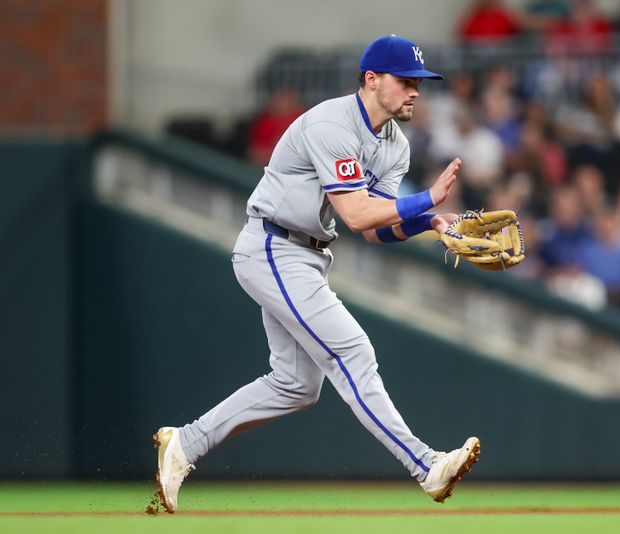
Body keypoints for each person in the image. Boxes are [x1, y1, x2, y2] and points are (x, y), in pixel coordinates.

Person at [152, 35, 480, 514]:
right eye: (405, 80)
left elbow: (376, 230)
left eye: (419, 82)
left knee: (295, 386)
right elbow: (355, 214)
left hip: (305, 256)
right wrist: (427, 201)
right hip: (272, 245)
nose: (415, 91)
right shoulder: (331, 123)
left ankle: (185, 445)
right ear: (371, 80)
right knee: (353, 351)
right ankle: (425, 465)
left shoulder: (396, 147)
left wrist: (428, 224)